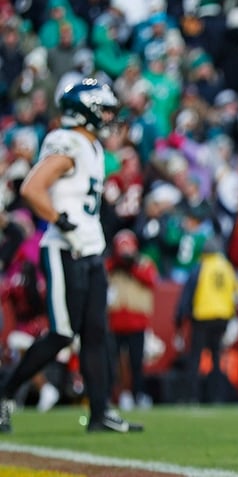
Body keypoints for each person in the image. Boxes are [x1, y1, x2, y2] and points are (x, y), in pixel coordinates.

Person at [0, 79, 143, 433]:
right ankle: (4, 393)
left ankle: (99, 413)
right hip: (66, 248)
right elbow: (33, 188)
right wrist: (61, 222)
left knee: (96, 333)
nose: (110, 117)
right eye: (105, 109)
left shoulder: (90, 145)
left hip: (90, 247)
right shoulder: (69, 142)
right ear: (88, 110)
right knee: (63, 333)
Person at [174, 236, 238, 403]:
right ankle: (216, 396)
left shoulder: (202, 266)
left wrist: (180, 316)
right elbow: (235, 293)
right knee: (217, 358)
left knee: (195, 357)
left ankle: (192, 395)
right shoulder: (227, 267)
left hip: (203, 315)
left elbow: (189, 292)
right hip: (223, 316)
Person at [105, 228, 158, 411]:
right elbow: (102, 276)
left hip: (137, 321)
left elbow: (151, 280)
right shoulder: (111, 265)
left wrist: (132, 265)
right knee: (115, 363)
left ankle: (138, 394)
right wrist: (117, 262)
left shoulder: (144, 263)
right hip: (116, 321)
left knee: (136, 362)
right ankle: (117, 395)